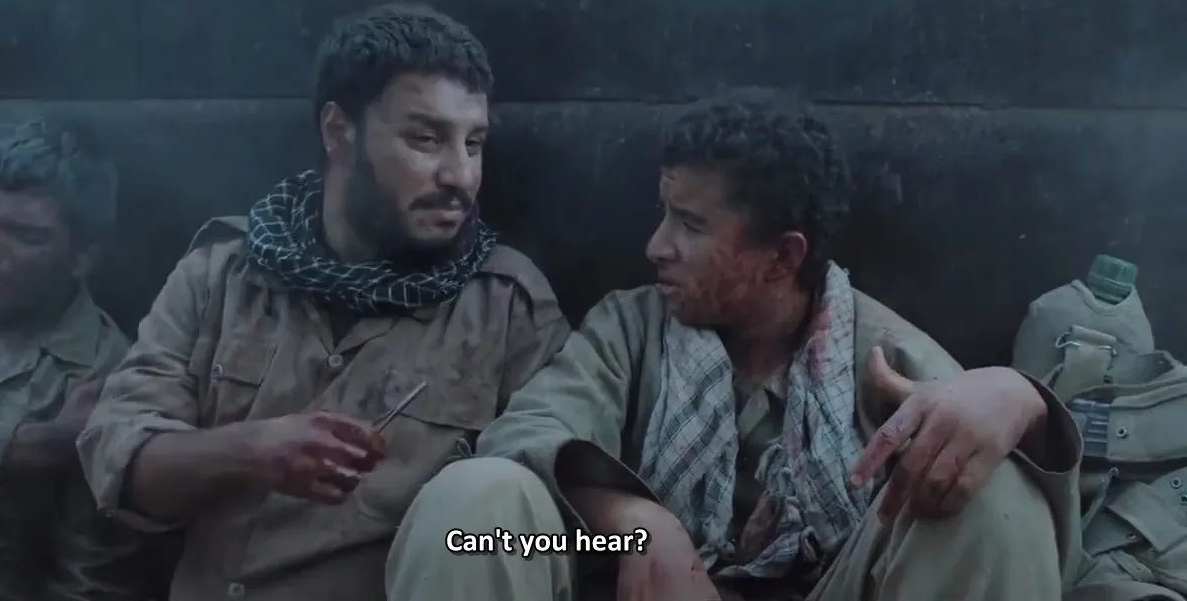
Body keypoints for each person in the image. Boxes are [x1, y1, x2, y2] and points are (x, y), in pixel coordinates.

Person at [386, 88, 1084, 601]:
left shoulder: (886, 358)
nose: (657, 246)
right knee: (473, 511)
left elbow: (1029, 527)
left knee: (989, 494)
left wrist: (1016, 398)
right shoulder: (630, 330)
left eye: (689, 224)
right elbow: (523, 436)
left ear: (782, 258)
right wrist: (633, 523)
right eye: (664, 213)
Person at [75, 3, 571, 601]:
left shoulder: (508, 307)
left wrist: (628, 528)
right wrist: (250, 451)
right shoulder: (222, 274)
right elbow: (118, 461)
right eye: (425, 139)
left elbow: (560, 522)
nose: (460, 175)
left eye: (474, 143)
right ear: (338, 131)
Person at [0, 118, 145, 600]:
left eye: (24, 235)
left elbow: (93, 576)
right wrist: (23, 448)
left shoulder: (108, 374)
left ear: (83, 255)